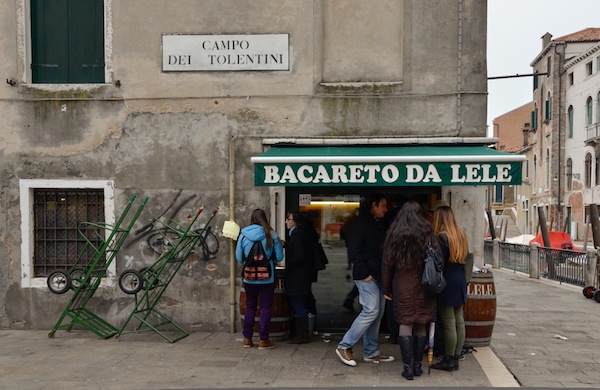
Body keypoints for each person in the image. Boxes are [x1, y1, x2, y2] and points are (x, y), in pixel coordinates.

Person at [382, 201, 439, 380]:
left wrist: (386, 288)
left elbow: (387, 265)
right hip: (424, 285)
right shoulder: (428, 233)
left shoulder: (394, 234)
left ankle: (407, 368)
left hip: (402, 285)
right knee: (421, 323)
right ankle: (417, 366)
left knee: (405, 324)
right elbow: (439, 259)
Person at [335, 193, 394, 367]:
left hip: (379, 276)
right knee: (370, 311)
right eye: (382, 205)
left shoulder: (378, 224)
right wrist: (366, 273)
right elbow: (354, 252)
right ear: (373, 205)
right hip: (367, 277)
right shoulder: (359, 225)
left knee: (377, 314)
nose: (385, 209)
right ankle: (344, 345)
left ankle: (371, 351)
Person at [236, 208, 284, 350]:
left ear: (252, 218)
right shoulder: (272, 234)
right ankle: (263, 340)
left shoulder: (243, 235)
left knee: (250, 306)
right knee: (265, 308)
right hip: (267, 278)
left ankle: (247, 339)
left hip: (249, 277)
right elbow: (280, 257)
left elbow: (239, 258)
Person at [430, 205, 469, 371]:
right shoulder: (461, 234)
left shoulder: (441, 238)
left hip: (447, 282)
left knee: (448, 322)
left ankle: (448, 360)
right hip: (460, 279)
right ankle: (456, 357)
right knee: (459, 319)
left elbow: (438, 263)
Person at [283, 211, 316, 344]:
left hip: (298, 275)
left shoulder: (296, 234)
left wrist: (288, 265)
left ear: (295, 221)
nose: (286, 222)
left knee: (297, 302)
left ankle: (302, 334)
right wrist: (286, 245)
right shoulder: (301, 234)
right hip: (303, 274)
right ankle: (301, 332)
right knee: (299, 301)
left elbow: (299, 255)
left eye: (288, 219)